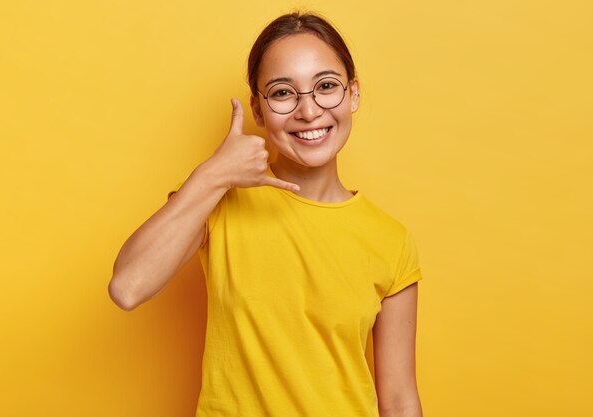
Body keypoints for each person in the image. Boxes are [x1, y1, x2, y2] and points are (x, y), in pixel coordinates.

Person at [109, 11, 424, 417]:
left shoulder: (391, 240)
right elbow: (128, 287)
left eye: (326, 87)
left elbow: (398, 399)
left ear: (354, 94)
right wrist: (213, 174)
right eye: (282, 93)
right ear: (258, 111)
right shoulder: (219, 200)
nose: (309, 112)